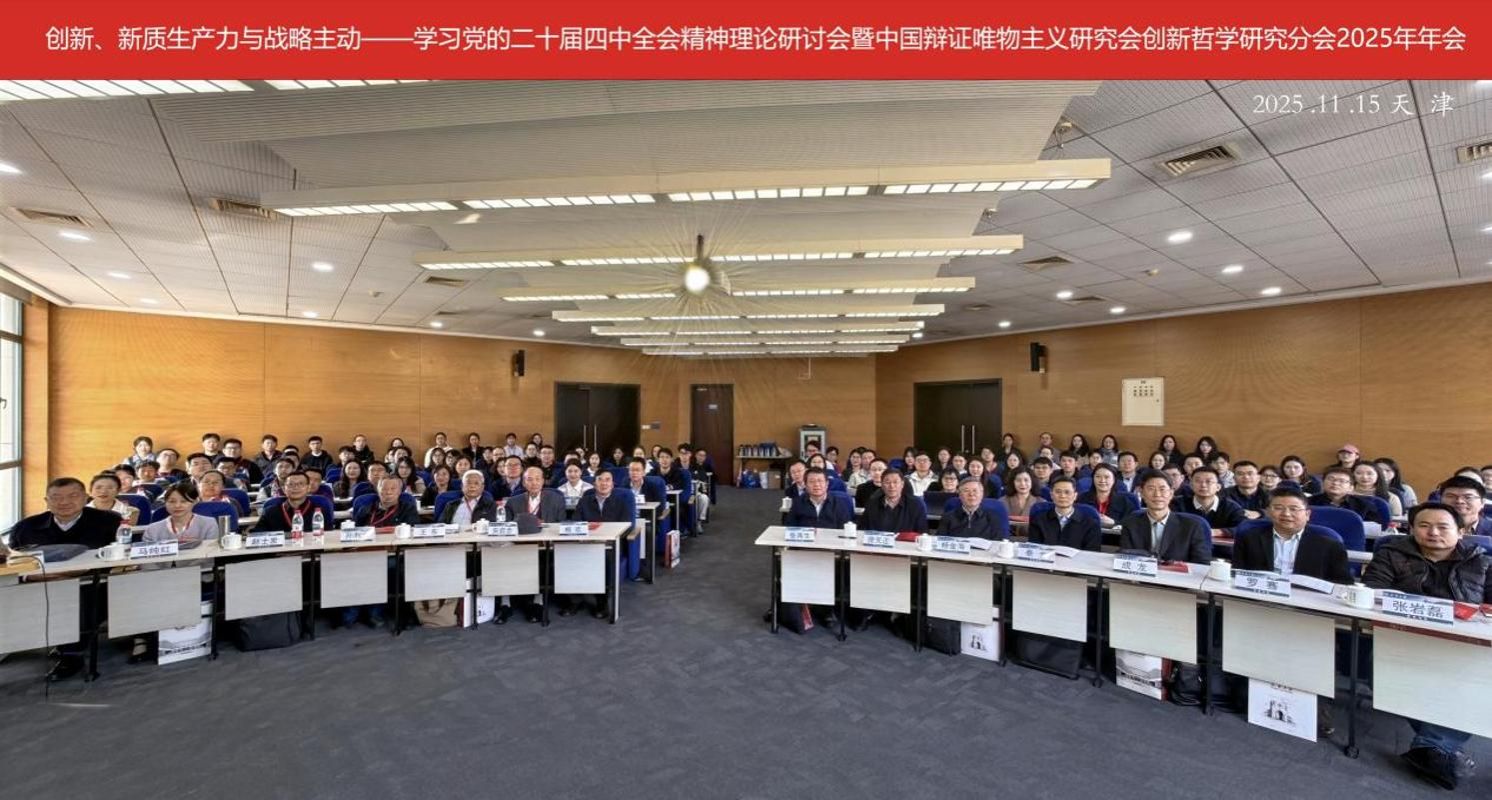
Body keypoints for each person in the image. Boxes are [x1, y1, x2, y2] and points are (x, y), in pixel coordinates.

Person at [1361, 501, 1491, 790]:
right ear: (1412, 529)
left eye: (1443, 527)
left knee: (1476, 683)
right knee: (1379, 675)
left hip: (1464, 644)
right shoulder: (1391, 554)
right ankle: (1437, 747)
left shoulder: (1483, 562)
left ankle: (1432, 746)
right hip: (1403, 636)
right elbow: (1373, 592)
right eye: (1424, 525)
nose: (1433, 532)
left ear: (1461, 531)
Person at [6, 477, 124, 680]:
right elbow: (13, 561)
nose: (64, 502)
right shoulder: (26, 527)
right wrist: (31, 576)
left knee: (81, 597)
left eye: (72, 496)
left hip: (88, 584)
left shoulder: (108, 521)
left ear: (85, 498)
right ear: (46, 501)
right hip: (37, 584)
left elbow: (118, 555)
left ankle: (71, 655)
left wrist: (74, 573)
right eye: (56, 497)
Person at [1232, 488, 1351, 583]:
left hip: (1307, 601)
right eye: (1278, 508)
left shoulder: (1330, 545)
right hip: (1258, 597)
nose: (1286, 514)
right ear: (1268, 512)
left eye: (1294, 509)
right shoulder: (1249, 538)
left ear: (1307, 514)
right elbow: (1236, 574)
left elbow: (1342, 583)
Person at [505, 466, 566, 623]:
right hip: (519, 546)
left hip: (545, 546)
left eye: (538, 479)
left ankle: (537, 601)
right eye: (529, 479)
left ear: (543, 481)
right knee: (503, 558)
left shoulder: (556, 499)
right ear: (524, 482)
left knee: (542, 560)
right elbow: (508, 527)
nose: (534, 483)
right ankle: (506, 603)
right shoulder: (513, 502)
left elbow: (560, 524)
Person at [1120, 470, 1212, 564]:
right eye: (1151, 489)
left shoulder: (1192, 526)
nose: (1157, 494)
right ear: (1142, 493)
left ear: (1171, 494)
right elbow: (1126, 557)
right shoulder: (1131, 523)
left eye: (1162, 489)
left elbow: (1202, 564)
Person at [573, 471, 629, 618]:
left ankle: (601, 602)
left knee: (603, 559)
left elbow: (626, 527)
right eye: (600, 480)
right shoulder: (584, 501)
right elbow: (576, 522)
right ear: (594, 483)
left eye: (607, 480)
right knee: (567, 555)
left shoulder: (621, 502)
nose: (604, 483)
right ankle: (574, 600)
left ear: (612, 484)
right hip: (586, 543)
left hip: (610, 545)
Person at [1028, 475, 1101, 550]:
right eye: (1058, 492)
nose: (1062, 496)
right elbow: (1034, 550)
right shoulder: (1038, 520)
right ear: (1051, 495)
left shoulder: (1090, 524)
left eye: (1067, 492)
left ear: (1075, 496)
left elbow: (1092, 553)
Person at [1174, 467, 1246, 538]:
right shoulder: (1178, 504)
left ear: (1218, 487)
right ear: (1191, 486)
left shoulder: (1231, 507)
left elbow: (1245, 528)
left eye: (1209, 482)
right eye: (1198, 481)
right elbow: (1171, 526)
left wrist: (1217, 532)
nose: (1203, 485)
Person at [1309, 467, 1386, 525]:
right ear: (1322, 483)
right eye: (1331, 479)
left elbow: (1373, 530)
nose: (1335, 483)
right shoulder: (1309, 502)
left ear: (1351, 488)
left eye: (1342, 481)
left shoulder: (1365, 505)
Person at [252, 471, 320, 532]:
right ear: (284, 489)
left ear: (308, 488)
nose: (296, 487)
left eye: (300, 484)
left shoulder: (319, 512)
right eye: (291, 484)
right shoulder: (270, 512)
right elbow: (257, 535)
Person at [861, 469, 926, 533]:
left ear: (902, 484)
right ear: (882, 485)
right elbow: (862, 530)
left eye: (895, 482)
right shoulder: (872, 504)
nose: (891, 486)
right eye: (887, 482)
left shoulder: (916, 504)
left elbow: (922, 533)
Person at [786, 468, 852, 528]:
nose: (816, 484)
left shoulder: (839, 504)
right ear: (805, 485)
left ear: (827, 484)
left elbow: (844, 530)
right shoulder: (798, 503)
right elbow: (790, 527)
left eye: (820, 481)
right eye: (812, 481)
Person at [355, 476, 421, 528]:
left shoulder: (408, 509)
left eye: (393, 489)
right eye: (384, 489)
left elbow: (412, 530)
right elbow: (357, 530)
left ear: (400, 491)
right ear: (378, 491)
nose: (388, 492)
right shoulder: (365, 510)